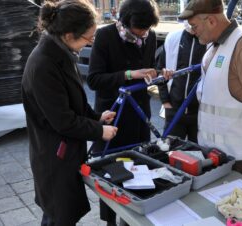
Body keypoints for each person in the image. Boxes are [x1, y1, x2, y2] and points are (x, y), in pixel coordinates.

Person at [21, 0, 118, 225]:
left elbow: (75, 102)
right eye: (88, 38)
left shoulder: (61, 52)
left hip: (63, 150)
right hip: (54, 155)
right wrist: (99, 131)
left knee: (61, 213)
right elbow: (63, 120)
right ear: (68, 35)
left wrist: (96, 118)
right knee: (58, 216)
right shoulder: (44, 64)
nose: (90, 42)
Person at [179, 0, 242, 178]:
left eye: (194, 26)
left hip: (235, 157)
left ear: (211, 21)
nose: (193, 32)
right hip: (211, 152)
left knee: (234, 204)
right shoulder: (214, 44)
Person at [87, 0, 161, 225]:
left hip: (140, 115)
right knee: (112, 172)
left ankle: (133, 217)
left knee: (140, 169)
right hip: (113, 116)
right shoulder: (106, 36)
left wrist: (157, 75)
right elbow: (94, 80)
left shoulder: (150, 36)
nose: (143, 33)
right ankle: (111, 220)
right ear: (125, 22)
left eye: (147, 28)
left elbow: (147, 73)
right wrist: (130, 74)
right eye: (139, 28)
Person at [157, 22, 206, 142]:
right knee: (171, 153)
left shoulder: (210, 41)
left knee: (199, 155)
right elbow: (160, 69)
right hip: (174, 110)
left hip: (200, 113)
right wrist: (165, 101)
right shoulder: (173, 38)